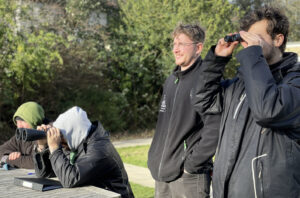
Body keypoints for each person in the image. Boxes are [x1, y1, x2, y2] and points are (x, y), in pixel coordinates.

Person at [193, 6, 300, 198]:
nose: (250, 43)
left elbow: (268, 110)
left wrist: (253, 54)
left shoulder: (294, 82)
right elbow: (203, 101)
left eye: (257, 37)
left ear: (278, 39)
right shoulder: (239, 85)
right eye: (247, 39)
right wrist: (217, 60)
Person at [148, 23, 220, 198]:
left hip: (188, 178)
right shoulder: (171, 80)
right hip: (162, 174)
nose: (176, 49)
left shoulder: (206, 80)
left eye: (181, 44)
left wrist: (191, 165)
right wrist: (154, 158)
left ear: (198, 48)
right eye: (174, 44)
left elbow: (215, 128)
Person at [33, 106, 134, 198]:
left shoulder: (99, 151)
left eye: (61, 136)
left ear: (74, 133)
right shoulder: (79, 144)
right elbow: (44, 175)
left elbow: (69, 179)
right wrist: (42, 146)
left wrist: (54, 148)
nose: (60, 141)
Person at [0, 101, 46, 169]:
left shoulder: (45, 135)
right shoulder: (21, 135)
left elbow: (36, 162)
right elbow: (1, 149)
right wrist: (9, 155)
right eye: (18, 122)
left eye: (23, 121)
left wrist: (10, 160)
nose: (19, 126)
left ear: (34, 121)